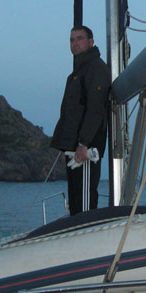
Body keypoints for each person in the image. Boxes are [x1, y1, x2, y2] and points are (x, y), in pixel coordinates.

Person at [50, 25, 111, 215]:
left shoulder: (96, 69)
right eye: (72, 39)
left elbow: (95, 108)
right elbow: (71, 112)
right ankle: (77, 228)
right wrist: (65, 146)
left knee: (85, 201)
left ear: (91, 42)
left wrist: (84, 143)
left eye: (79, 38)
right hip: (74, 148)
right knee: (76, 201)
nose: (75, 43)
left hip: (86, 149)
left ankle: (86, 228)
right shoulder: (78, 73)